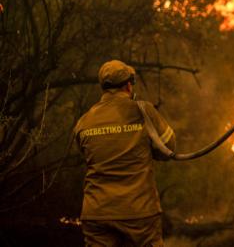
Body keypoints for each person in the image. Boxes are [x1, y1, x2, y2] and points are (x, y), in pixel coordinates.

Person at [73, 60, 175, 246]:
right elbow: (169, 148)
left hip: (97, 213)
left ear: (103, 87)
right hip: (139, 213)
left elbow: (86, 156)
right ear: (129, 85)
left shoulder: (84, 121)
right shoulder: (143, 111)